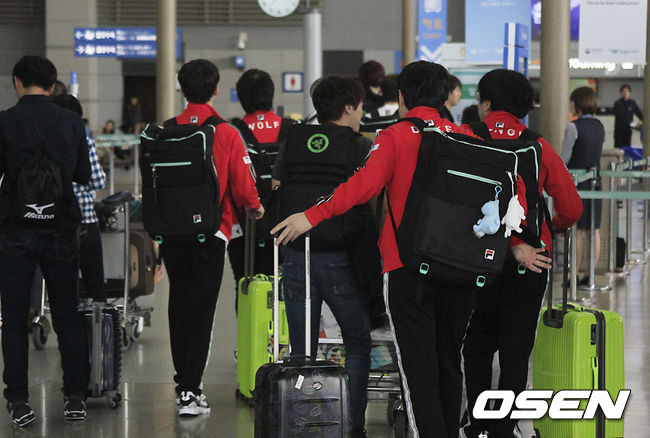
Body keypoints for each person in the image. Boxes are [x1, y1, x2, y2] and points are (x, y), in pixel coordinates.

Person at [272, 61, 481, 438]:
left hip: (407, 266)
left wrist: (312, 216)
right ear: (445, 96)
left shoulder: (395, 136)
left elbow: (363, 186)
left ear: (401, 97)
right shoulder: (465, 136)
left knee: (418, 367)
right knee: (449, 361)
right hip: (460, 268)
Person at [459, 69, 582, 438]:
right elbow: (571, 207)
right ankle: (505, 428)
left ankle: (476, 425)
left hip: (474, 256)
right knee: (516, 349)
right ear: (525, 108)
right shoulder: (537, 146)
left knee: (476, 345)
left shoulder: (465, 137)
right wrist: (552, 228)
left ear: (485, 103)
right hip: (531, 259)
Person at [160, 59, 263, 416]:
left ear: (181, 88)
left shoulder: (165, 130)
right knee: (202, 309)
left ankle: (183, 384)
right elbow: (243, 184)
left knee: (178, 304)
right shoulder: (226, 132)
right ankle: (191, 391)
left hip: (172, 230)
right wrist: (255, 207)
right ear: (216, 90)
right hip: (212, 230)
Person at [273, 75, 374, 438]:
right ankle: (353, 425)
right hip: (340, 256)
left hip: (294, 253)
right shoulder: (359, 145)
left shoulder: (293, 139)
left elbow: (277, 187)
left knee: (302, 349)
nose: (361, 115)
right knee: (357, 340)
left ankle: (302, 423)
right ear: (348, 107)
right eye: (360, 108)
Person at [0, 55, 91, 426]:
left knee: (13, 317)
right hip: (60, 228)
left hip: (15, 230)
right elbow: (83, 174)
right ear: (52, 87)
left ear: (17, 82)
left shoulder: (5, 121)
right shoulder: (70, 121)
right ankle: (75, 396)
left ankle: (18, 399)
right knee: (67, 313)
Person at [228, 69, 293, 288]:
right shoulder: (292, 129)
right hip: (288, 225)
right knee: (286, 287)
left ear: (242, 97)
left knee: (246, 285)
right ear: (271, 94)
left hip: (245, 225)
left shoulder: (232, 132)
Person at [54, 94, 107, 302]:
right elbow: (98, 181)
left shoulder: (46, 142)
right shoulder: (83, 141)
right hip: (85, 220)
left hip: (54, 221)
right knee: (94, 280)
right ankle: (97, 317)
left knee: (62, 284)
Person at [561, 86, 605, 285]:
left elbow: (565, 158)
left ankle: (573, 275)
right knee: (593, 229)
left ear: (577, 104)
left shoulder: (573, 127)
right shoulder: (599, 126)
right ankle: (590, 274)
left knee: (578, 230)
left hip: (577, 183)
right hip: (595, 182)